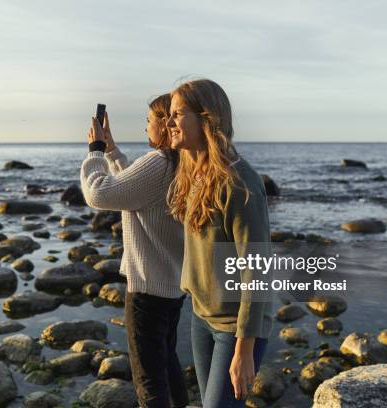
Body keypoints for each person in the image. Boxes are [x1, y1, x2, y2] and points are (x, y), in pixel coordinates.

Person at [166, 79, 273, 407]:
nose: (169, 123)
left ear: (206, 118)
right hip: (202, 316)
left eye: (178, 114)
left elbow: (257, 273)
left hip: (235, 328)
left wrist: (244, 351)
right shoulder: (194, 173)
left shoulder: (241, 186)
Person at [80, 95, 189, 408]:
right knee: (166, 365)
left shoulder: (159, 162)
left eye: (148, 121)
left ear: (167, 122)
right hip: (172, 287)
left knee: (149, 381)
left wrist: (96, 152)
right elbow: (137, 189)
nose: (147, 129)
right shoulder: (181, 163)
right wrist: (113, 150)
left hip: (147, 290)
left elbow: (99, 193)